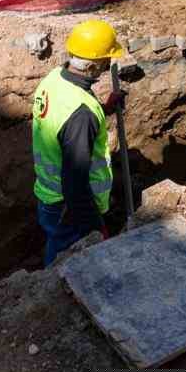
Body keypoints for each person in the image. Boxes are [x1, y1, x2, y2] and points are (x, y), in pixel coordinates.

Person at [32, 18, 126, 265]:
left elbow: (63, 124)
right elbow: (75, 184)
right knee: (65, 261)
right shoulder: (81, 114)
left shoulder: (55, 79)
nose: (108, 66)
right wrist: (97, 227)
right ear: (92, 67)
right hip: (68, 207)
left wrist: (104, 109)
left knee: (56, 244)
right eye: (106, 62)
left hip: (48, 195)